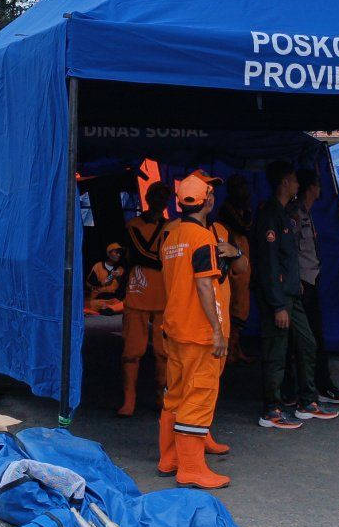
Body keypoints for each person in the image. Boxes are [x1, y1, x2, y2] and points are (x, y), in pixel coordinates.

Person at [157, 171, 241, 489]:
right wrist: (218, 332)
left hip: (175, 327)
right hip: (198, 332)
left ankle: (169, 458)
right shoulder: (202, 238)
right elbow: (205, 285)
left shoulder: (172, 236)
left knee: (175, 395)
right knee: (199, 395)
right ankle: (191, 469)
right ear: (206, 200)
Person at [253, 160, 338, 429]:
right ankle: (272, 409)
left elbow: (289, 258)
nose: (298, 185)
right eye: (294, 180)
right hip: (278, 298)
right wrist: (278, 304)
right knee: (276, 352)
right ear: (284, 183)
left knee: (307, 343)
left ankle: (307, 401)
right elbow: (268, 263)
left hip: (293, 293)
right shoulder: (270, 216)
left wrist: (295, 284)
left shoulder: (286, 215)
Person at [285, 168, 339, 404]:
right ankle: (310, 388)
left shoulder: (306, 214)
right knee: (307, 339)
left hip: (311, 280)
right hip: (301, 284)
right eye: (318, 185)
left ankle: (307, 386)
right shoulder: (293, 214)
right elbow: (288, 252)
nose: (320, 190)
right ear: (311, 188)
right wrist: (295, 282)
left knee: (308, 338)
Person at [119, 182, 173, 417]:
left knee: (164, 352)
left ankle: (163, 399)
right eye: (157, 194)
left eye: (164, 195)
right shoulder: (135, 224)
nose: (160, 198)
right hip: (138, 294)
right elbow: (144, 254)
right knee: (132, 351)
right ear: (148, 197)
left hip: (164, 295)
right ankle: (129, 400)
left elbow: (157, 256)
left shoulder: (170, 226)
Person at [217, 174, 255, 365]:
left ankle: (235, 347)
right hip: (233, 257)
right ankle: (230, 348)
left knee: (242, 303)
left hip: (243, 254)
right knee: (236, 305)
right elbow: (245, 227)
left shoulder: (243, 208)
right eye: (240, 186)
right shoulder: (227, 209)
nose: (244, 190)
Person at [85, 242, 126, 316]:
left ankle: (108, 309)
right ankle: (108, 309)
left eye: (120, 253)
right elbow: (90, 283)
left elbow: (121, 289)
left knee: (125, 303)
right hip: (98, 299)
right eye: (116, 252)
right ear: (108, 253)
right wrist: (110, 278)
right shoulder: (98, 266)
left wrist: (118, 278)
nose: (119, 255)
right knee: (90, 303)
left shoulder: (120, 269)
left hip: (113, 300)